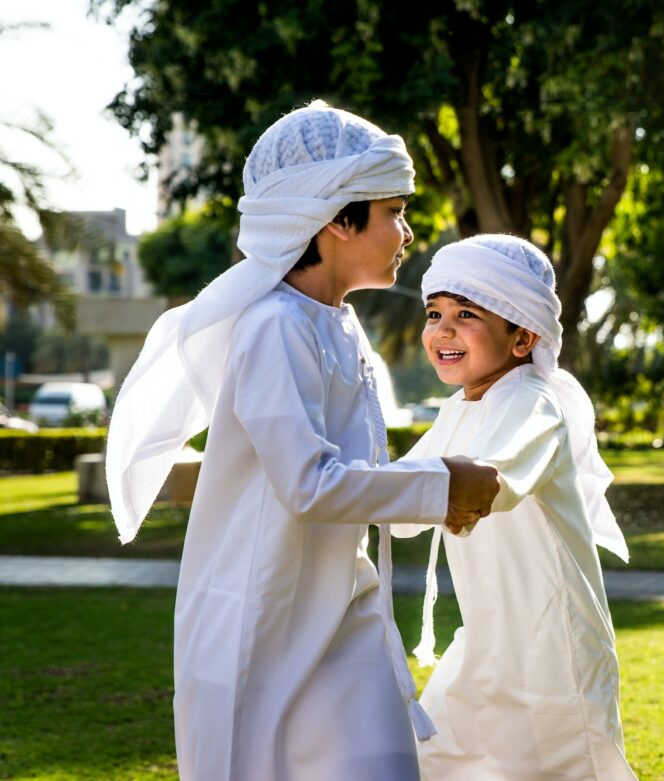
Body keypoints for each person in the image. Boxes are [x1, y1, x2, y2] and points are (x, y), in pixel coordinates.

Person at [104, 101, 499, 780]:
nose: (407, 230)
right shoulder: (273, 326)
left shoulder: (338, 324)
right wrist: (443, 486)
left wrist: (445, 494)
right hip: (259, 624)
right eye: (394, 212)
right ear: (340, 220)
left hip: (344, 613)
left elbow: (358, 478)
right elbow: (311, 482)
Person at [385, 234, 637, 780]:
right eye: (434, 313)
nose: (443, 330)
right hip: (483, 646)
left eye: (466, 314)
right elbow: (400, 505)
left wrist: (447, 496)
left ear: (523, 336)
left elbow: (490, 482)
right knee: (430, 762)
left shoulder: (534, 402)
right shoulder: (458, 409)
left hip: (553, 655)